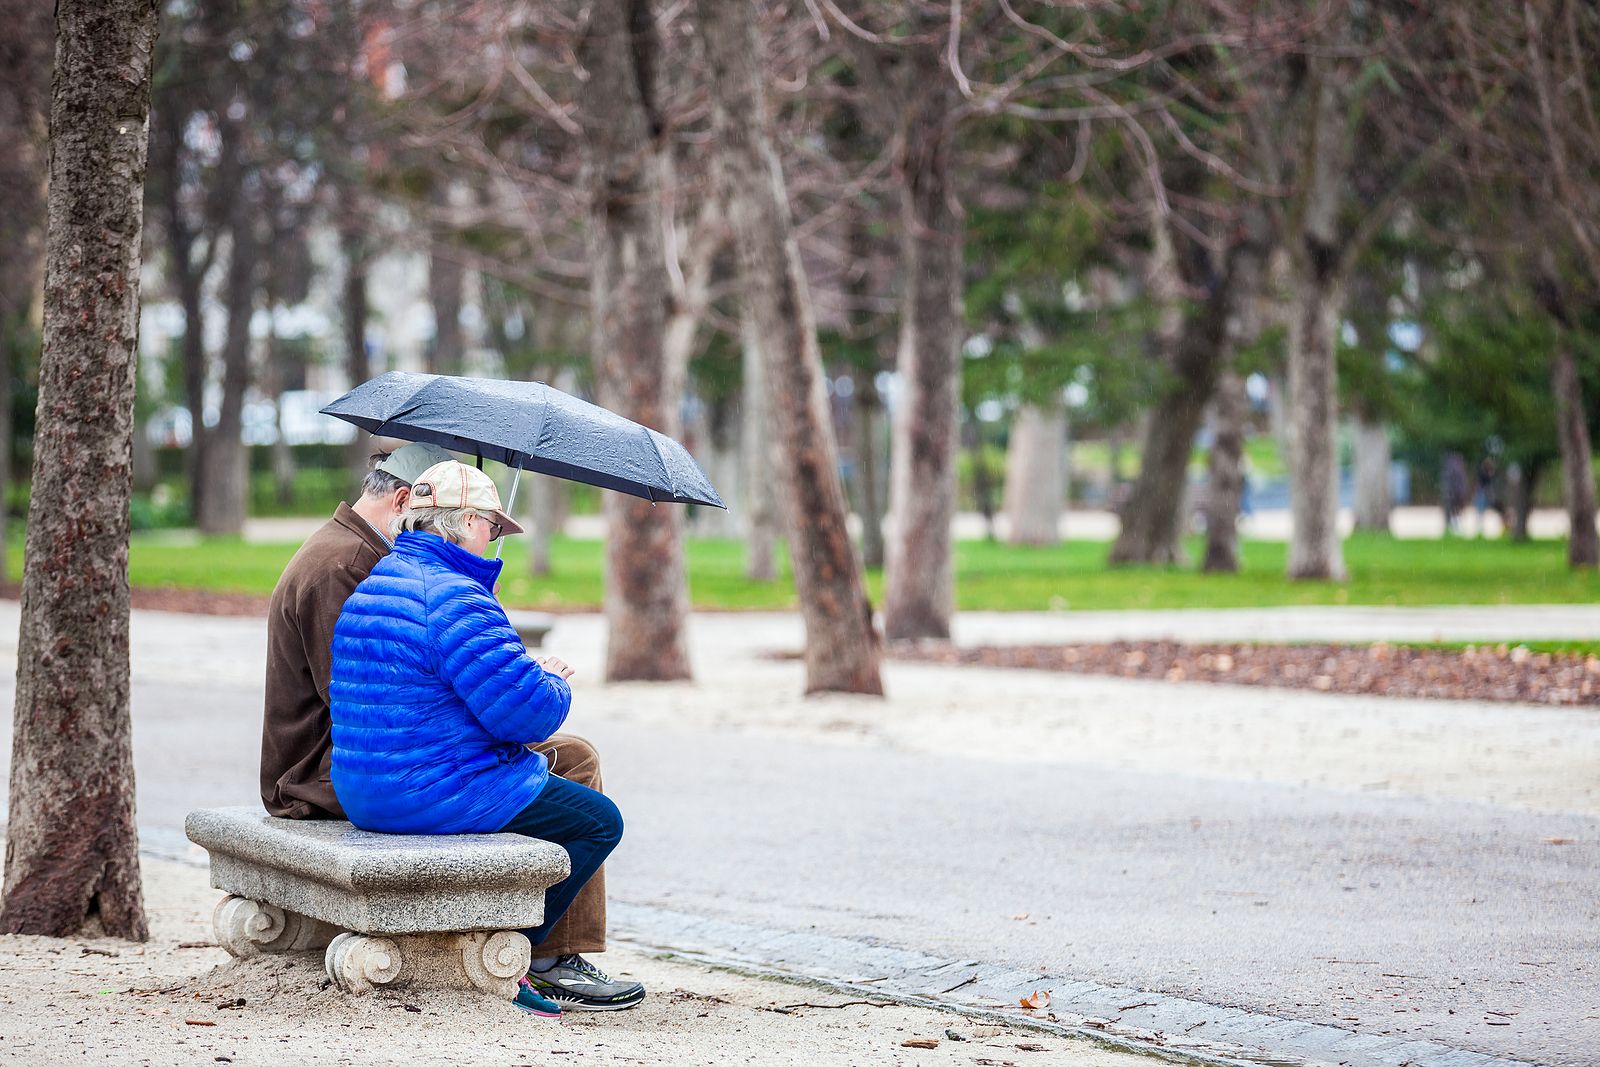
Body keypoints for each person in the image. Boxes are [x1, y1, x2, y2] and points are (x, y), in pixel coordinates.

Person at [262, 445, 640, 1015]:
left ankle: (555, 951)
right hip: (412, 784)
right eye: (491, 525)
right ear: (465, 522)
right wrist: (552, 681)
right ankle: (518, 952)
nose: (495, 537)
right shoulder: (445, 593)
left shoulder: (379, 576)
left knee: (568, 763)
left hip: (371, 782)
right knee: (597, 820)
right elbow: (527, 714)